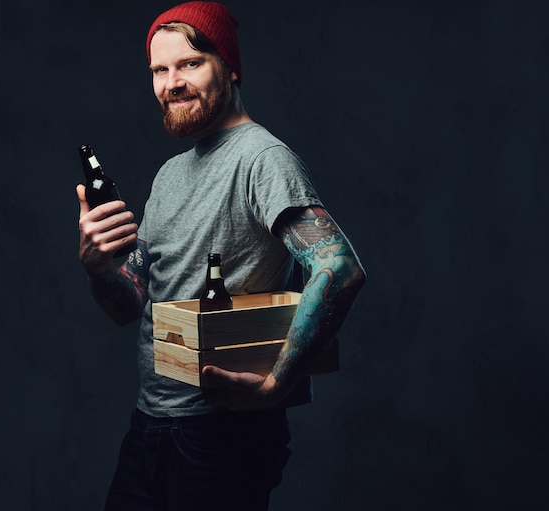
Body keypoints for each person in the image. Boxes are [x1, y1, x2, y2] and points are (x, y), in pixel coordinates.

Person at [76, 2, 366, 510]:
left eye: (190, 63)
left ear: (229, 67)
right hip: (150, 426)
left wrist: (277, 384)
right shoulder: (168, 175)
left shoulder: (262, 159)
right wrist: (99, 269)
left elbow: (339, 270)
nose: (172, 83)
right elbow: (131, 305)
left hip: (223, 435)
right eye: (159, 70)